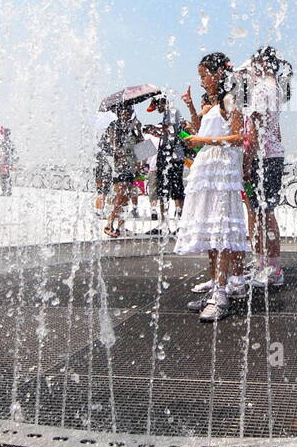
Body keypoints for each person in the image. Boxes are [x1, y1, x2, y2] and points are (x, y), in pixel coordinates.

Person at [176, 53, 248, 322]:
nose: (202, 81)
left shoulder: (231, 100)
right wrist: (193, 111)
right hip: (206, 168)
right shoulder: (212, 106)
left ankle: (221, 293)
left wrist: (204, 139)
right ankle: (214, 286)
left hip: (221, 169)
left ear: (218, 74)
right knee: (209, 228)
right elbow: (200, 130)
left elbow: (239, 137)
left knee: (221, 229)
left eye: (204, 75)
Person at [240, 46, 291, 287]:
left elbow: (255, 130)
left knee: (265, 213)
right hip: (273, 156)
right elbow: (276, 130)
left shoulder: (260, 90)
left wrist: (247, 162)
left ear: (260, 63)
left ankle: (274, 269)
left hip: (263, 158)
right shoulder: (275, 89)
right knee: (261, 212)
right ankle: (264, 264)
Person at [99, 104, 143, 237]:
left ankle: (121, 227)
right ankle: (109, 223)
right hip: (118, 166)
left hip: (131, 166)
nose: (128, 113)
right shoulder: (114, 125)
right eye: (125, 111)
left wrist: (139, 130)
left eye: (130, 110)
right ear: (119, 112)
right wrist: (118, 147)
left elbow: (143, 148)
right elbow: (113, 145)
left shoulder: (134, 126)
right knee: (120, 194)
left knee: (127, 196)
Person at [144, 94, 187, 229]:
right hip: (167, 154)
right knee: (163, 188)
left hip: (174, 155)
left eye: (157, 106)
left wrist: (155, 129)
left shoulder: (172, 111)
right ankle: (164, 221)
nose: (157, 109)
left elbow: (170, 130)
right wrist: (157, 131)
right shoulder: (168, 113)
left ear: (161, 103)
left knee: (176, 188)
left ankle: (180, 219)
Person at [0, 127, 16, 196]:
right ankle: (9, 191)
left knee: (3, 176)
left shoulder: (3, 142)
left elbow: (0, 150)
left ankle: (4, 191)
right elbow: (13, 152)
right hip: (9, 162)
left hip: (4, 161)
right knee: (9, 176)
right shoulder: (10, 142)